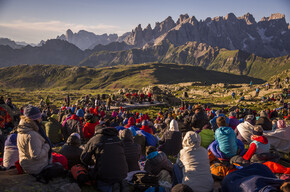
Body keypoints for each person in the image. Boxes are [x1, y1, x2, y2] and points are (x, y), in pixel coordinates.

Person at [81, 127, 128, 191]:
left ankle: (111, 188)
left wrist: (93, 163)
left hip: (105, 176)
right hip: (122, 174)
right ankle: (119, 185)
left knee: (103, 180)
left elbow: (84, 158)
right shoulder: (117, 139)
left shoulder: (95, 139)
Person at [17, 105, 51, 175]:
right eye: (39, 116)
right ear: (35, 118)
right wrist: (47, 146)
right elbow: (36, 156)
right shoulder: (32, 135)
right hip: (36, 167)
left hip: (27, 164)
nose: (41, 119)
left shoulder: (22, 129)